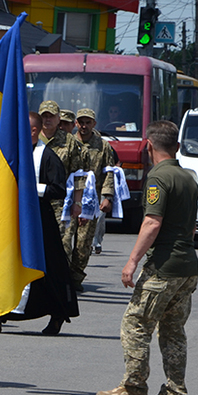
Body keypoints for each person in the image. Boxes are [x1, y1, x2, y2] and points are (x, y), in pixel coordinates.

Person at [97, 120, 198, 395]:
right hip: (187, 266)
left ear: (149, 146)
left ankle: (134, 389)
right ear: (177, 147)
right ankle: (176, 394)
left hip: (164, 267)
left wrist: (132, 261)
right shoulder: (188, 178)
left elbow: (152, 222)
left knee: (135, 324)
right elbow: (190, 227)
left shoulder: (158, 178)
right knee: (173, 330)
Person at [0, 112, 78, 334]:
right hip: (8, 218)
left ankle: (57, 316)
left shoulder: (48, 156)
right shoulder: (10, 154)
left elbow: (59, 189)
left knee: (46, 268)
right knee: (2, 263)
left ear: (33, 130)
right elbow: (1, 189)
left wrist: (31, 188)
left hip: (38, 221)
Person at [66, 108, 116, 291]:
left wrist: (108, 196)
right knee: (65, 239)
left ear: (94, 124)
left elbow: (109, 172)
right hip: (69, 199)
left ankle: (75, 278)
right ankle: (63, 278)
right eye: (81, 122)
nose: (84, 126)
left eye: (88, 122)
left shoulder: (103, 146)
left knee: (84, 242)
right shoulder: (69, 143)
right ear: (76, 124)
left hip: (91, 202)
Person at [38, 100, 83, 257]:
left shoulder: (69, 141)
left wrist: (77, 202)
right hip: (36, 200)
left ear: (58, 119)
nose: (47, 120)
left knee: (63, 246)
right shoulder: (31, 138)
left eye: (51, 116)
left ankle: (64, 280)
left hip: (61, 203)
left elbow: (78, 174)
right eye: (44, 116)